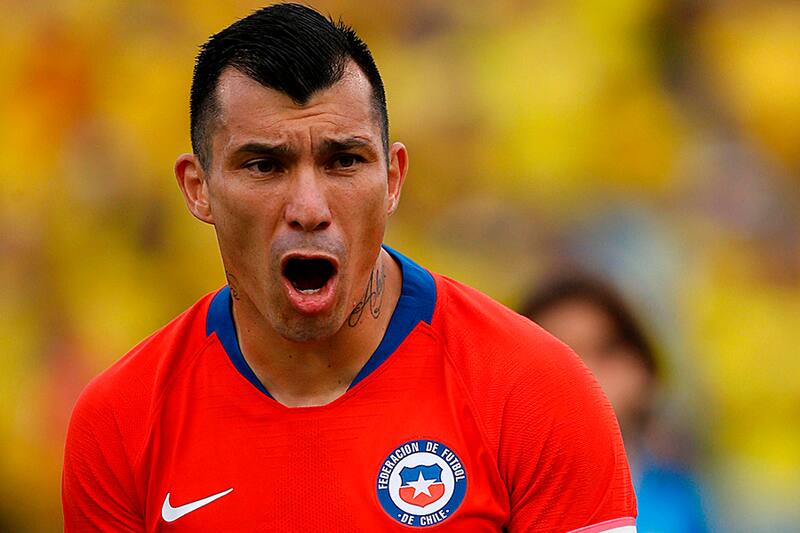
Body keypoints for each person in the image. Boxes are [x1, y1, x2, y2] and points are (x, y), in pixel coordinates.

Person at [62, 4, 636, 531]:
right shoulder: (121, 423)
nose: (309, 209)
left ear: (393, 178)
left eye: (343, 160)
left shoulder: (535, 393)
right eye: (264, 165)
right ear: (198, 188)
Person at [521, 274, 710, 533]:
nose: (582, 370)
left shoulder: (679, 501)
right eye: (554, 354)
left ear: (643, 371)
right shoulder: (489, 502)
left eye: (604, 351)